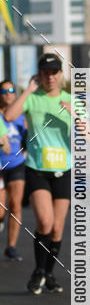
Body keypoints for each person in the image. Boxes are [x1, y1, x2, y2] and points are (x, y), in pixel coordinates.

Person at [4, 53, 72, 294]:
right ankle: (38, 271)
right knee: (45, 221)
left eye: (54, 72)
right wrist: (28, 90)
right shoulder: (33, 98)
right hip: (36, 169)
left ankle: (49, 273)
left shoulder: (70, 101)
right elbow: (9, 116)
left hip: (63, 170)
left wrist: (74, 114)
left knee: (57, 228)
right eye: (45, 73)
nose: (50, 77)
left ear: (60, 75)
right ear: (39, 75)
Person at [0, 80, 27, 260]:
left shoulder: (22, 116)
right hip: (0, 166)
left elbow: (28, 137)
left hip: (17, 164)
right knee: (1, 210)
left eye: (11, 90)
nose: (9, 93)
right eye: (4, 91)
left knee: (16, 206)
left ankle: (11, 247)